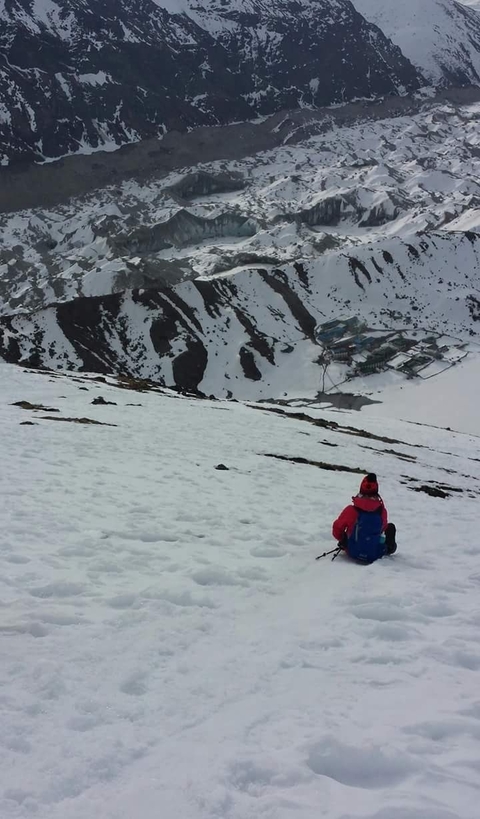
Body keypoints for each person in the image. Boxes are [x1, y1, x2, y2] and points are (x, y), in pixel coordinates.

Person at [332, 473, 397, 564]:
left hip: (351, 551)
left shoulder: (351, 510)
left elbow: (337, 529)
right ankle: (389, 547)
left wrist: (343, 540)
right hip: (375, 553)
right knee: (390, 527)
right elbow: (383, 528)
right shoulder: (382, 511)